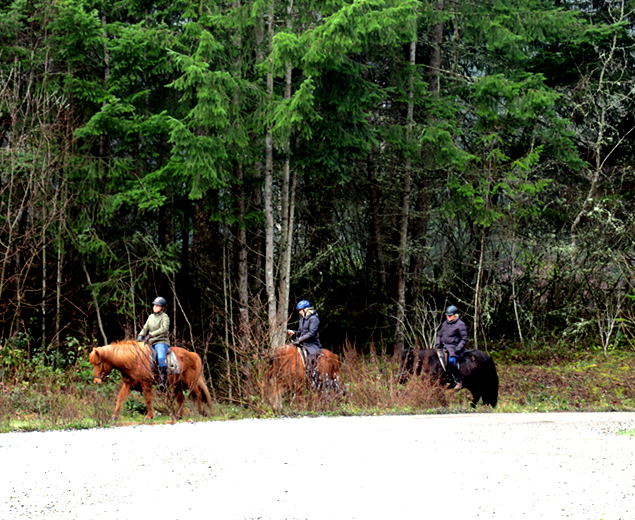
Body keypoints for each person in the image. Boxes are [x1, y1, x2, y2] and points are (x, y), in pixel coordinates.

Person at [137, 296, 170, 391]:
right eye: (154, 305)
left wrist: (151, 335)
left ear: (162, 307)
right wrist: (140, 335)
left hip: (161, 342)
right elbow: (145, 327)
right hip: (150, 342)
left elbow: (164, 329)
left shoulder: (165, 317)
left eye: (157, 306)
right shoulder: (151, 317)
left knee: (160, 357)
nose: (155, 307)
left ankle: (163, 381)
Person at [287, 300, 322, 384]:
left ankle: (313, 375)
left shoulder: (314, 319)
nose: (299, 312)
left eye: (300, 310)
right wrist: (294, 332)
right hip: (303, 343)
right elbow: (300, 332)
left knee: (312, 358)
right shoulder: (302, 320)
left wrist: (300, 339)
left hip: (312, 344)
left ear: (306, 309)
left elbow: (311, 333)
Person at [435, 305, 468, 390]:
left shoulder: (461, 324)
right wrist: (438, 343)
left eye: (450, 315)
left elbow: (464, 338)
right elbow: (439, 335)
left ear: (455, 315)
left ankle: (458, 380)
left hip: (455, 348)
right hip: (444, 347)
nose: (448, 317)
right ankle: (448, 380)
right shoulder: (445, 323)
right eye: (447, 315)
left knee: (451, 361)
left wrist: (459, 348)